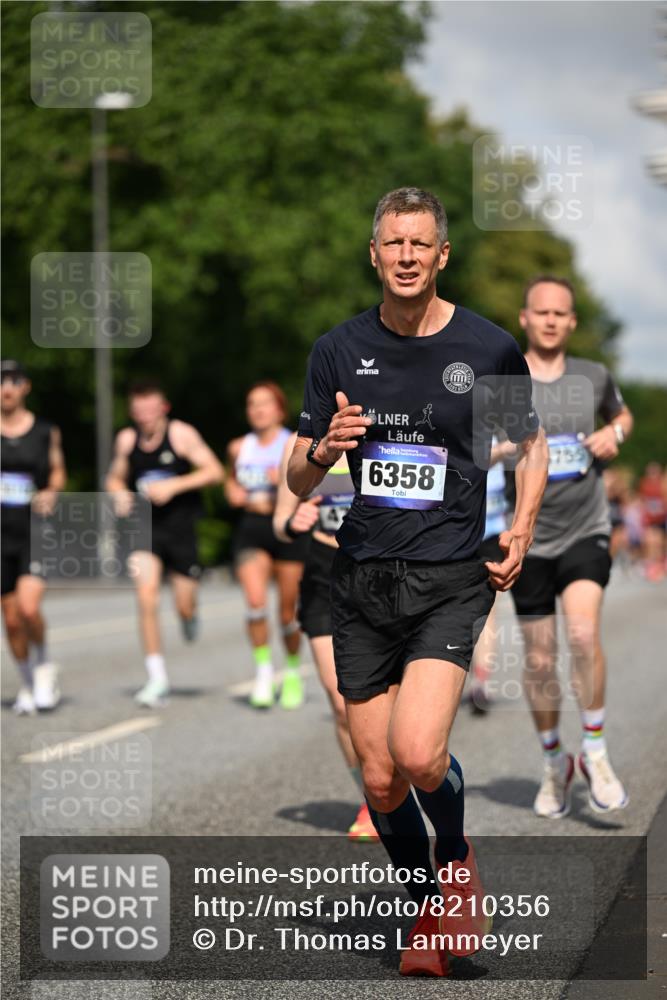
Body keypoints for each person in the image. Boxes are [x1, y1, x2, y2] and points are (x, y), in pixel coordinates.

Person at [287, 187, 547, 976]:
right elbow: (297, 480)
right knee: (376, 775)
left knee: (418, 753)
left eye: (419, 244)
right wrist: (326, 448)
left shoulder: (488, 346)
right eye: (392, 243)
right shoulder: (335, 350)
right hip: (361, 577)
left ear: (441, 256)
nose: (405, 256)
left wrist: (523, 528)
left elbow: (530, 446)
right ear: (374, 254)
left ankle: (456, 861)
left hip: (448, 577)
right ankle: (430, 913)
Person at [511, 275, 634, 818]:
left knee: (583, 632)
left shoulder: (593, 376)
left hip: (586, 527)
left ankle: (596, 751)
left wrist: (616, 435)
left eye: (561, 313)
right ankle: (553, 761)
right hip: (526, 535)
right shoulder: (505, 380)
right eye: (542, 312)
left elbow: (622, 415)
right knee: (539, 658)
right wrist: (507, 449)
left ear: (572, 321)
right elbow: (473, 449)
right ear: (525, 318)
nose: (552, 320)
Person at [273, 432, 378, 842]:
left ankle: (393, 783)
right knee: (341, 703)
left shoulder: (388, 422)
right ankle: (373, 799)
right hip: (322, 569)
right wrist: (289, 522)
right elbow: (281, 522)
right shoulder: (302, 441)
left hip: (377, 568)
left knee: (384, 701)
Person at [106, 378, 224, 707]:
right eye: (137, 409)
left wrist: (175, 485)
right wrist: (119, 494)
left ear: (163, 408)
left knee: (184, 603)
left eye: (149, 407)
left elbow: (215, 471)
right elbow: (115, 476)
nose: (143, 415)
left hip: (182, 529)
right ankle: (157, 678)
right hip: (146, 530)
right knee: (146, 597)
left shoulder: (181, 434)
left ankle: (189, 616)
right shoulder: (127, 439)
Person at [226, 382, 309, 710]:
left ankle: (291, 670)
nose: (257, 410)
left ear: (279, 409)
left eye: (264, 404)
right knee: (255, 604)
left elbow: (309, 483)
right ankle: (262, 672)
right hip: (252, 529)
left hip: (287, 528)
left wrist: (285, 486)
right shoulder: (238, 446)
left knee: (288, 613)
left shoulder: (293, 444)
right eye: (251, 404)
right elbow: (231, 480)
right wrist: (232, 491)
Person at [1, 359, 66, 714]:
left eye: (13, 381)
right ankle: (27, 682)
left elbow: (57, 472)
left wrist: (52, 491)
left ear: (25, 387)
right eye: (0, 381)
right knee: (10, 620)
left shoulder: (44, 431)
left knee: (28, 608)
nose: (6, 388)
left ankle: (43, 664)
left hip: (33, 530)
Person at [468, 436, 517, 714]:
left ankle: (481, 682)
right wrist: (501, 451)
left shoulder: (500, 426)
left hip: (492, 532)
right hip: (458, 535)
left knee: (488, 611)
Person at [637, 462, 666, 582]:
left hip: (661, 517)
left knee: (659, 543)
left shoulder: (662, 483)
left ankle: (659, 566)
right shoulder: (644, 483)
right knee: (650, 542)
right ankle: (651, 566)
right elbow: (643, 500)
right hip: (650, 518)